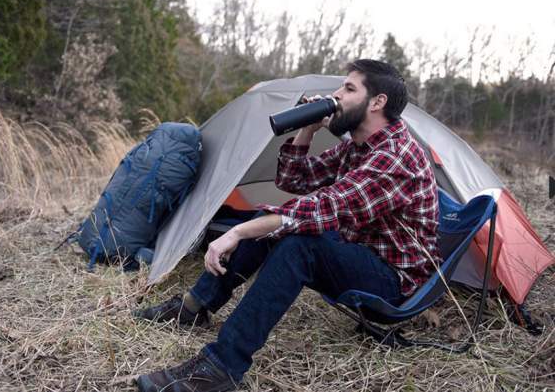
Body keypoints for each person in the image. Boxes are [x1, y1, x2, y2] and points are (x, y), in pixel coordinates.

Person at [133, 59, 440, 392]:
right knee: (271, 222)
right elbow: (293, 178)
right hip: (358, 250)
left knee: (299, 244)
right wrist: (308, 128)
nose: (336, 94)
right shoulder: (358, 147)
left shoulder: (395, 155)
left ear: (377, 102)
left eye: (349, 88)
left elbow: (323, 207)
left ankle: (221, 368)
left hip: (392, 281)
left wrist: (236, 233)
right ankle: (194, 307)